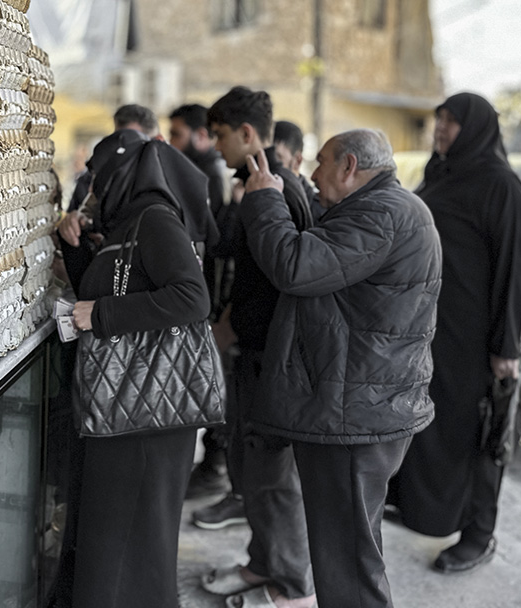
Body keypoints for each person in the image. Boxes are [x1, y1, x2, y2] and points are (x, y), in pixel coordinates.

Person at [240, 129, 442, 608]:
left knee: (348, 561)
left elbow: (296, 265)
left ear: (349, 166)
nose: (314, 173)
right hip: (359, 406)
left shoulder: (383, 214)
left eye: (323, 162)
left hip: (357, 415)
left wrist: (265, 203)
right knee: (345, 552)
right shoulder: (382, 208)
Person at [52, 129, 216, 608]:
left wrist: (100, 314)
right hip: (128, 406)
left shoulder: (156, 220)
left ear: (124, 173)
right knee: (112, 536)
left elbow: (192, 297)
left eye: (100, 181)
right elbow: (117, 284)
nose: (95, 192)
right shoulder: (129, 224)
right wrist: (78, 248)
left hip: (148, 413)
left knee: (131, 543)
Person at [387, 92, 521, 573]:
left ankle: (479, 533)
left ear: (476, 129)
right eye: (439, 119)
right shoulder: (439, 175)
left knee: (480, 431)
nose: (441, 128)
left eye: (451, 121)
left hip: (474, 335)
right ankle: (423, 509)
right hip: (430, 329)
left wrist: (505, 346)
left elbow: (515, 268)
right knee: (431, 425)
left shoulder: (501, 186)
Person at [197, 87, 315, 608]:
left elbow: (279, 286)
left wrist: (235, 329)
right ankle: (263, 563)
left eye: (221, 135)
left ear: (247, 135)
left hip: (272, 361)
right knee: (255, 474)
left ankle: (288, 582)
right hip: (252, 355)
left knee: (273, 479)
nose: (214, 145)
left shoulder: (277, 192)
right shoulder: (254, 188)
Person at [170, 103, 235, 499]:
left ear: (200, 135)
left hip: (210, 302)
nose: (171, 142)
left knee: (212, 385)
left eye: (177, 134)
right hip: (206, 301)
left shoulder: (208, 176)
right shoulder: (201, 172)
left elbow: (214, 249)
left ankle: (214, 468)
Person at [66, 103, 162, 213]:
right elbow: (78, 216)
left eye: (134, 143)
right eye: (118, 139)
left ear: (158, 141)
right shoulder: (89, 180)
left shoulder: (167, 189)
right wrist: (75, 220)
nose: (123, 151)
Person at [272, 120, 325, 221]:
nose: (268, 164)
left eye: (277, 157)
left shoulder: (315, 208)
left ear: (297, 161)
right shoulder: (250, 189)